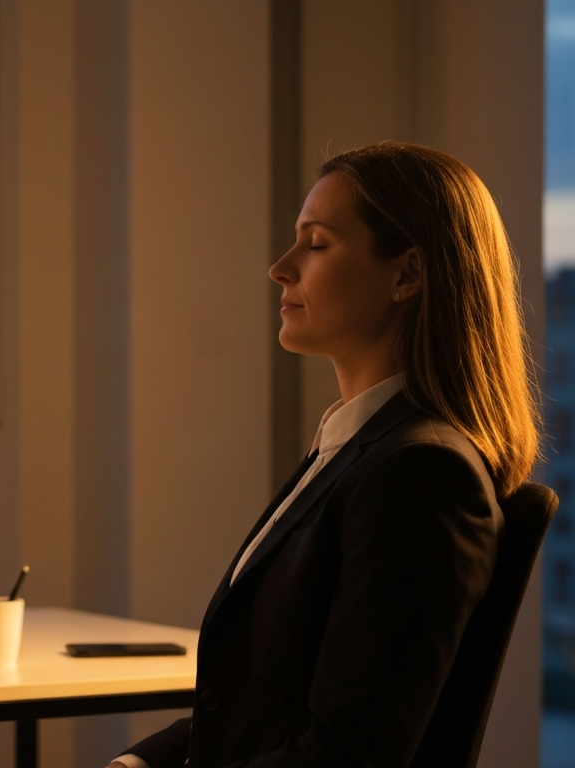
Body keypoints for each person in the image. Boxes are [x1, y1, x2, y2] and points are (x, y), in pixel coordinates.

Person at [112, 142, 540, 768]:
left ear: (406, 275)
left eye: (315, 244)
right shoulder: (356, 452)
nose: (280, 268)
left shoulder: (422, 476)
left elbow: (345, 756)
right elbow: (258, 703)